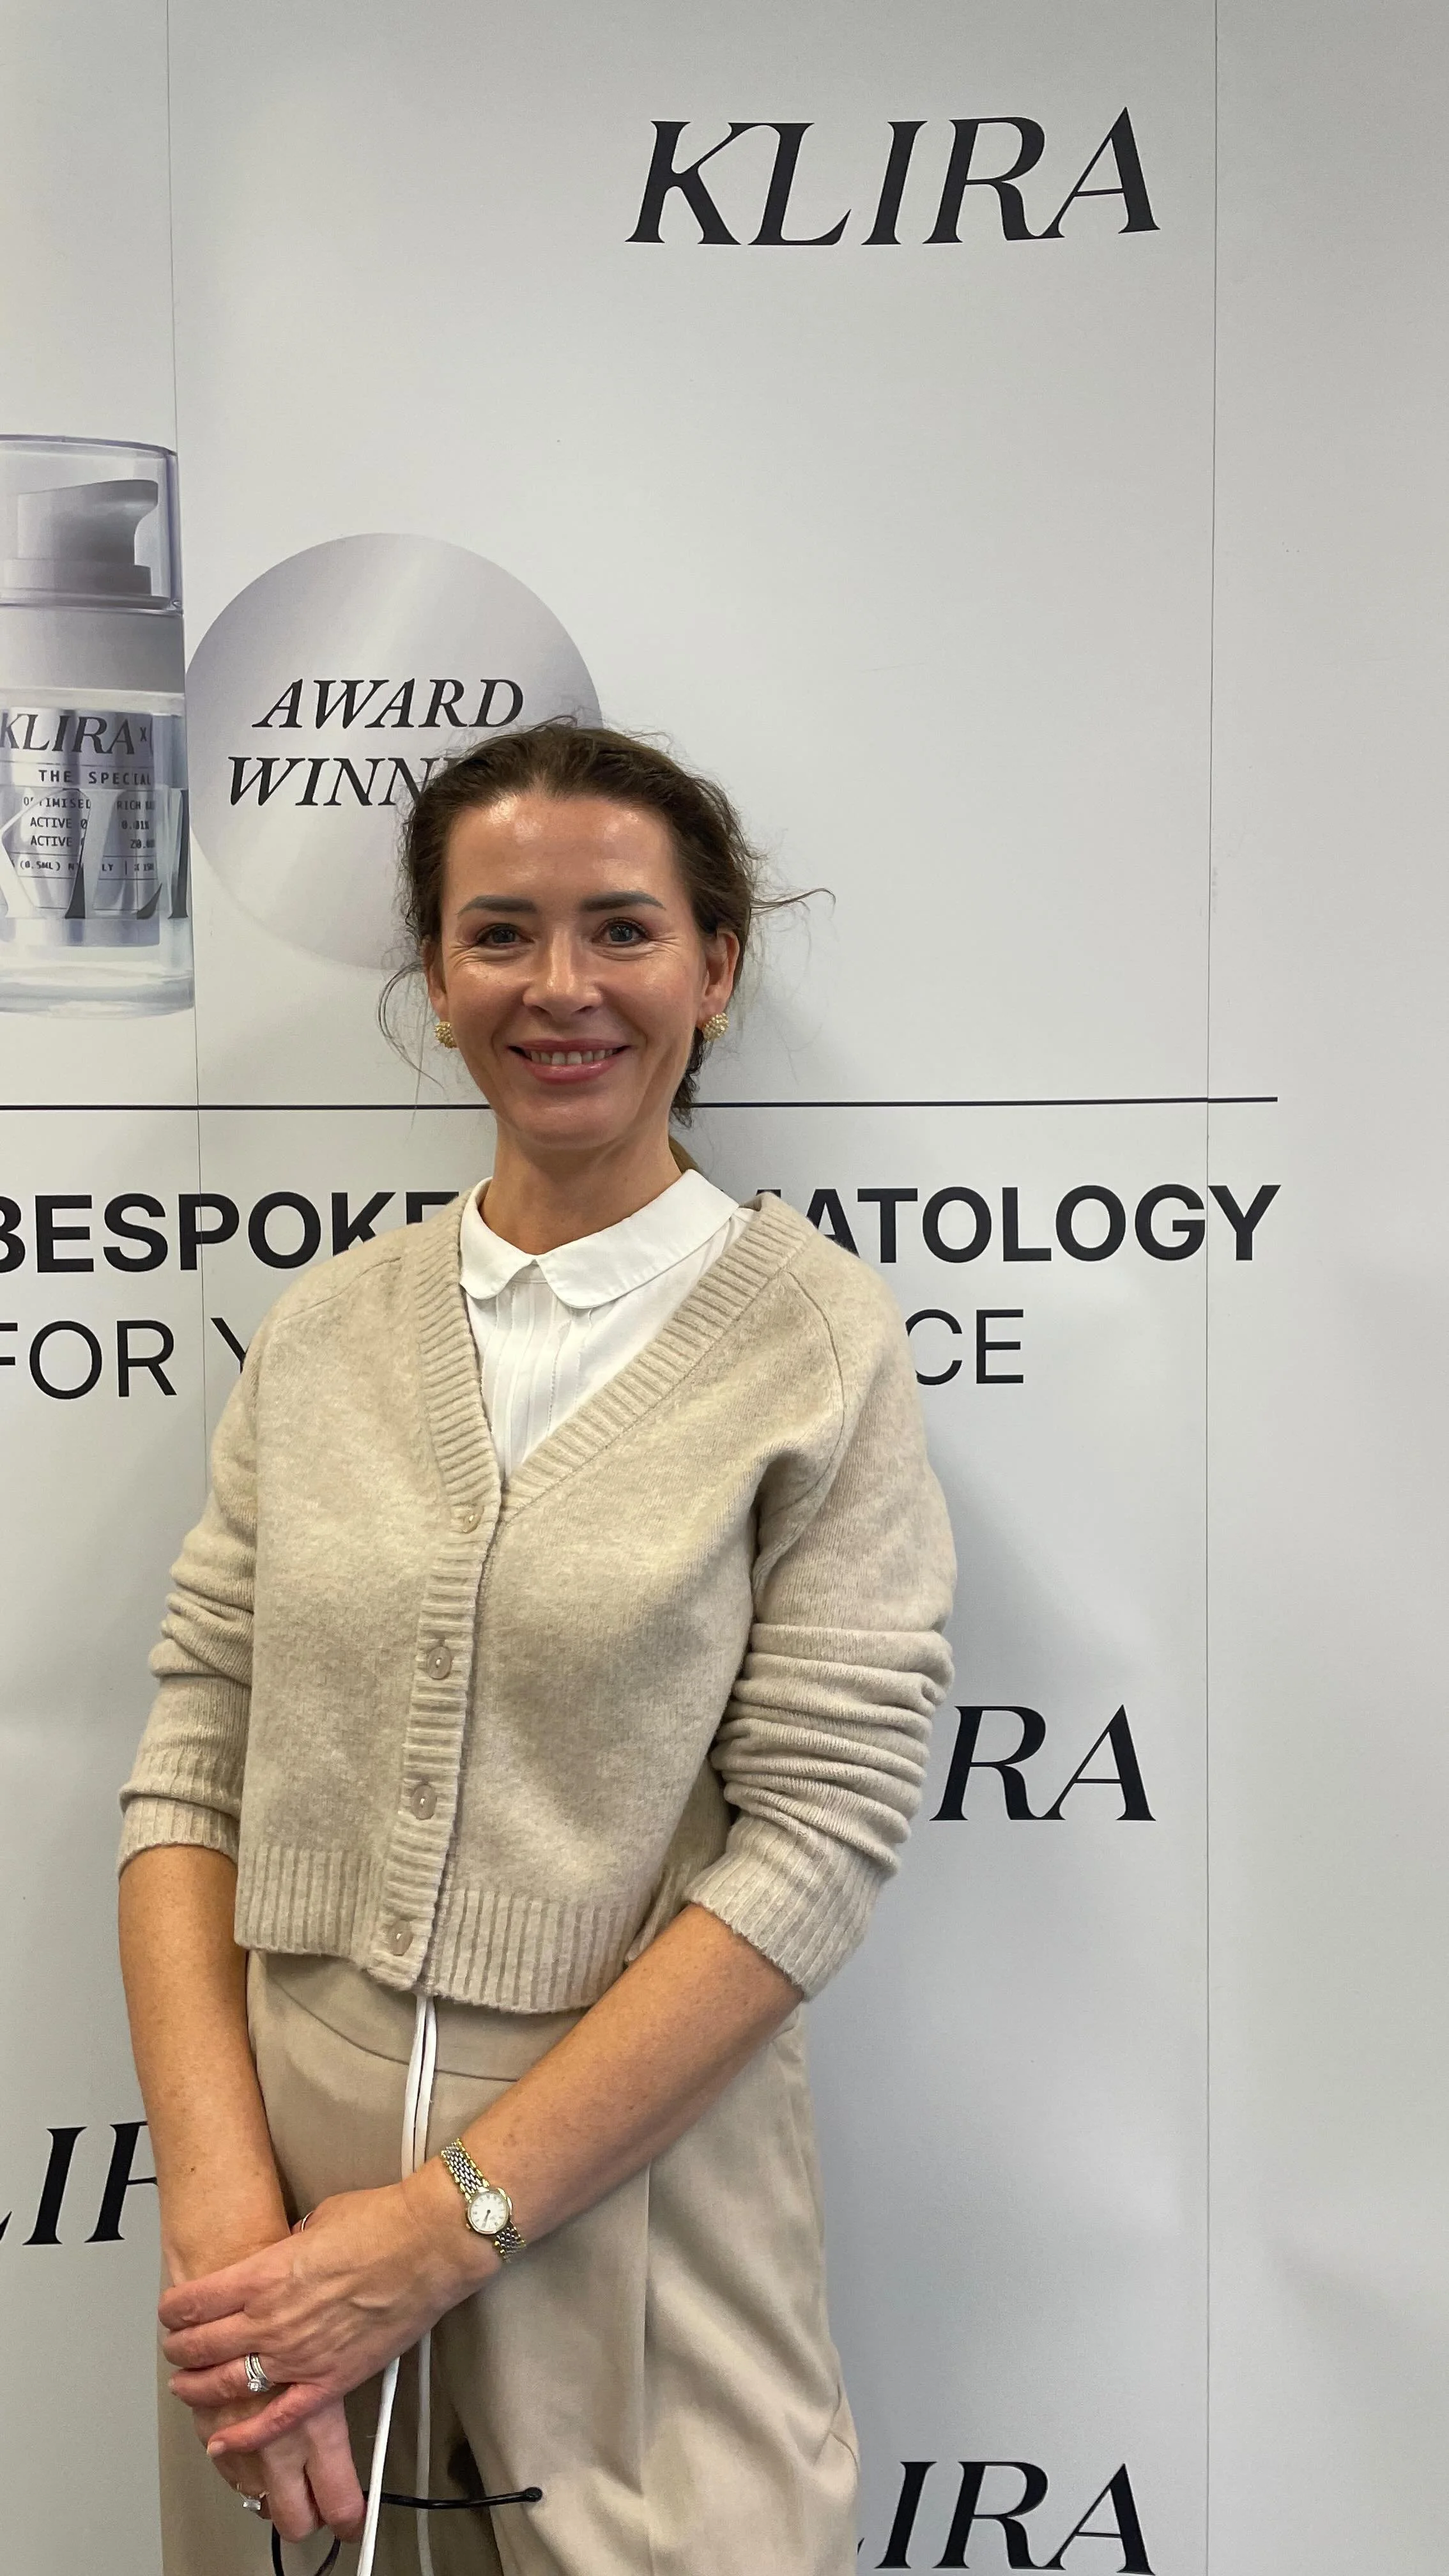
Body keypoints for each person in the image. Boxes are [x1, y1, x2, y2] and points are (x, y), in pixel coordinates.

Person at [118, 720, 956, 2576]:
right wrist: (223, 2225)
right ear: (434, 979)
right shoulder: (329, 1331)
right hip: (286, 2242)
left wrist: (441, 2233)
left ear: (715, 969)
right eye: (498, 933)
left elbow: (816, 1842)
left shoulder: (817, 1344)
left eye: (622, 929)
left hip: (637, 2204)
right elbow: (191, 1765)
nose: (559, 986)